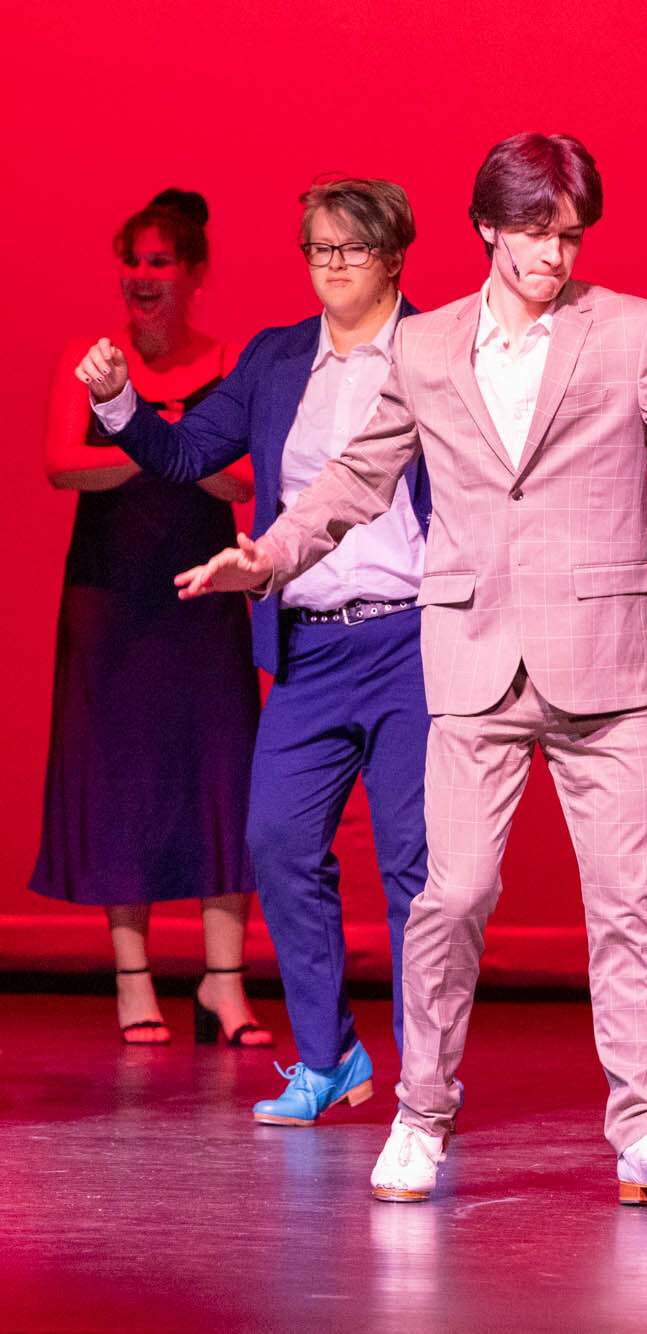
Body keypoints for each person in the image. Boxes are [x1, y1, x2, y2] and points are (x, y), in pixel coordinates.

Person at [161, 133, 647, 1206]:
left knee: (625, 903)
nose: (554, 256)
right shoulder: (427, 349)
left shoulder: (629, 329)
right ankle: (420, 1116)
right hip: (473, 659)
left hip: (605, 665)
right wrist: (270, 553)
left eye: (570, 236)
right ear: (487, 227)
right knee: (453, 894)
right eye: (534, 233)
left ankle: (646, 1126)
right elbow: (356, 474)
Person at [79, 179, 428, 1125]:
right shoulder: (278, 359)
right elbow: (190, 454)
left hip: (413, 642)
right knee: (276, 842)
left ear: (394, 256)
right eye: (318, 250)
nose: (332, 268)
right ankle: (330, 1057)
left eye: (351, 250)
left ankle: (424, 1083)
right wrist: (120, 407)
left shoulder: (443, 349)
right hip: (309, 647)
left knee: (414, 867)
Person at [34, 189, 267, 1048]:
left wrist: (140, 437)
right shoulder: (87, 359)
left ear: (194, 274)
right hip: (111, 599)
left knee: (221, 776)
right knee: (120, 777)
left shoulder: (231, 359)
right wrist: (162, 441)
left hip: (202, 599)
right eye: (131, 260)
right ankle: (134, 983)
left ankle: (224, 985)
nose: (141, 276)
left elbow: (243, 479)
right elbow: (63, 463)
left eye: (159, 262)